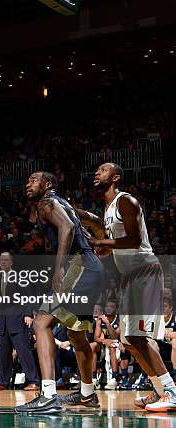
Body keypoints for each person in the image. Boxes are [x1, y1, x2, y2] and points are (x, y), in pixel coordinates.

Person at [77, 163, 172, 411]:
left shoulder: (125, 201)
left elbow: (134, 239)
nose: (97, 172)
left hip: (144, 271)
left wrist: (100, 240)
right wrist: (101, 248)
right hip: (129, 275)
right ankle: (161, 390)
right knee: (128, 340)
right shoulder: (107, 208)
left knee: (138, 337)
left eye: (104, 170)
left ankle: (171, 390)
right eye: (96, 169)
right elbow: (117, 245)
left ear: (116, 177)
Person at [15, 172, 105, 413]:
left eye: (33, 180)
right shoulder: (67, 205)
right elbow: (96, 220)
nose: (28, 183)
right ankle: (87, 394)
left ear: (48, 184)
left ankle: (48, 395)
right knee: (76, 335)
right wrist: (100, 243)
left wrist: (59, 267)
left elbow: (66, 227)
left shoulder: (47, 203)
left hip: (79, 266)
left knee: (41, 322)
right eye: (28, 180)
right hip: (92, 266)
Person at [0, 252, 40, 391]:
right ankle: (3, 382)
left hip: (18, 319)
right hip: (3, 321)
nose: (3, 262)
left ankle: (33, 381)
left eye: (6, 260)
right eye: (1, 260)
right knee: (3, 354)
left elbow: (29, 296)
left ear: (11, 262)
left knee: (24, 352)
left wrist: (28, 314)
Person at [93, 300, 121, 390]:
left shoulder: (120, 319)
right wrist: (105, 341)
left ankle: (114, 378)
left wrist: (108, 324)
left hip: (118, 343)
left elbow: (115, 337)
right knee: (92, 346)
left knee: (112, 346)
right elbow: (96, 338)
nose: (109, 308)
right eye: (107, 306)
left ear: (116, 309)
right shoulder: (100, 319)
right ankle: (94, 379)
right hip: (103, 343)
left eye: (112, 306)